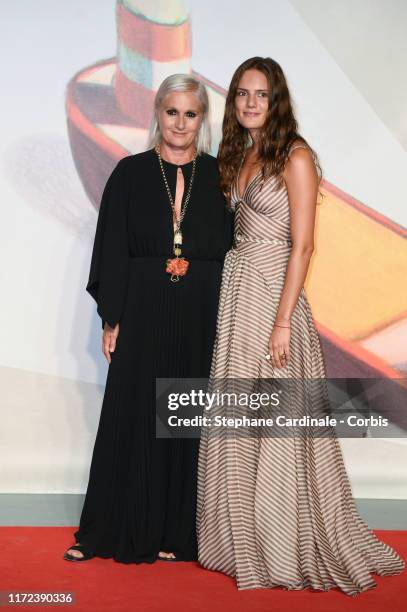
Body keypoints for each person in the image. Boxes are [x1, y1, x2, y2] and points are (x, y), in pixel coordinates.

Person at [196, 57, 405, 595]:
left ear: (277, 99)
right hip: (239, 294)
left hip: (275, 299)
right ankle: (238, 537)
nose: (248, 103)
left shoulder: (296, 156)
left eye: (260, 95)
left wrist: (284, 320)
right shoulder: (239, 154)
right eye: (241, 93)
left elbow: (303, 244)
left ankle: (285, 540)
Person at [63, 74, 232, 563]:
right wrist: (111, 317)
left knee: (182, 417)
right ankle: (112, 530)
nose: (180, 123)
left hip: (200, 312)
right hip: (140, 308)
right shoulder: (130, 172)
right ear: (157, 113)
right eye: (171, 112)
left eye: (191, 114)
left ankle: (175, 533)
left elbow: (233, 251)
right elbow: (112, 246)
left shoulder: (220, 176)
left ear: (202, 120)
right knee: (135, 413)